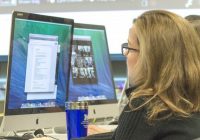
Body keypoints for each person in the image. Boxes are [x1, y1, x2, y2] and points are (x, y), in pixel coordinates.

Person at [74, 10, 200, 140]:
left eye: (129, 47)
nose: (126, 54)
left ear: (149, 58)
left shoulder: (144, 108)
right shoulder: (188, 103)